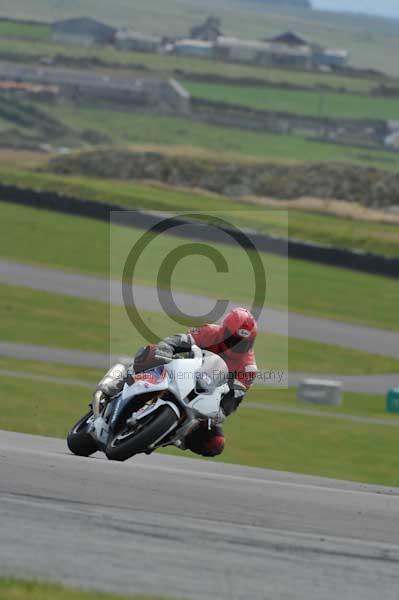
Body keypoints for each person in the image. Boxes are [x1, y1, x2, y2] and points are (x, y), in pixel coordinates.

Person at [92, 307, 258, 458]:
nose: (237, 346)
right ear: (224, 332)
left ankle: (171, 435)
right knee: (153, 352)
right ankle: (118, 384)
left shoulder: (248, 368)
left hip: (203, 398)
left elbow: (233, 398)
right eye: (233, 340)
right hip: (180, 373)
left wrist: (220, 413)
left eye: (244, 343)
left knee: (215, 443)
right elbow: (181, 341)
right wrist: (167, 347)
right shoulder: (209, 332)